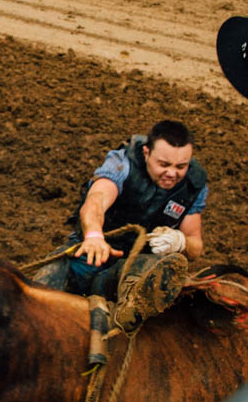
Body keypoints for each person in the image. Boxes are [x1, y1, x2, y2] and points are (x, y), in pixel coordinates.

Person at [63, 120, 207, 333]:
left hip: (141, 262)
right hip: (98, 248)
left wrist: (180, 241)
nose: (171, 173)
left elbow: (196, 245)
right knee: (54, 285)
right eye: (164, 165)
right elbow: (96, 200)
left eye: (180, 167)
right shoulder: (122, 163)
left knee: (162, 286)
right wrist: (94, 235)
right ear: (146, 153)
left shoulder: (194, 184)